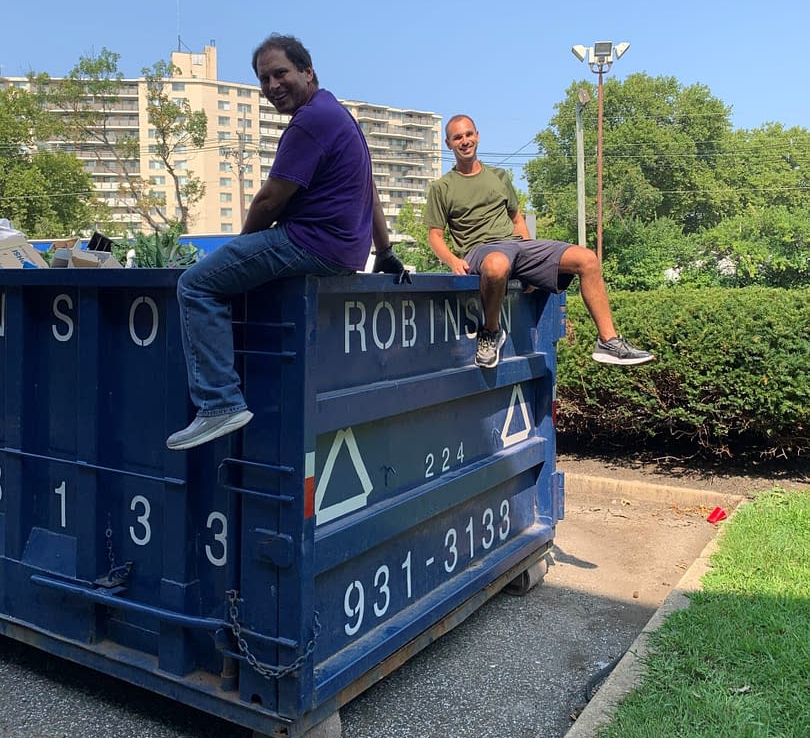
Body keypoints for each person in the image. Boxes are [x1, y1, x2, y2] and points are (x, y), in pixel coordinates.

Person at [167, 33, 406, 450]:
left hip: (310, 242)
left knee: (196, 284)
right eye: (264, 79)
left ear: (308, 71)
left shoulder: (310, 122)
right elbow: (369, 189)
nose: (273, 86)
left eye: (281, 73)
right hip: (342, 249)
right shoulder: (339, 115)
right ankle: (221, 398)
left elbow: (269, 199)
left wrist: (238, 253)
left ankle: (219, 401)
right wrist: (383, 252)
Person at [424, 114, 654, 370]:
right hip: (480, 250)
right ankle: (490, 332)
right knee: (497, 264)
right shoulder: (442, 187)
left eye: (469, 134)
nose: (465, 141)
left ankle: (608, 341)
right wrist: (453, 260)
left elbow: (517, 220)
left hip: (517, 246)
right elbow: (435, 235)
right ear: (448, 143)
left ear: (477, 135)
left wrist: (530, 266)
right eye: (458, 137)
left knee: (587, 259)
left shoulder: (498, 176)